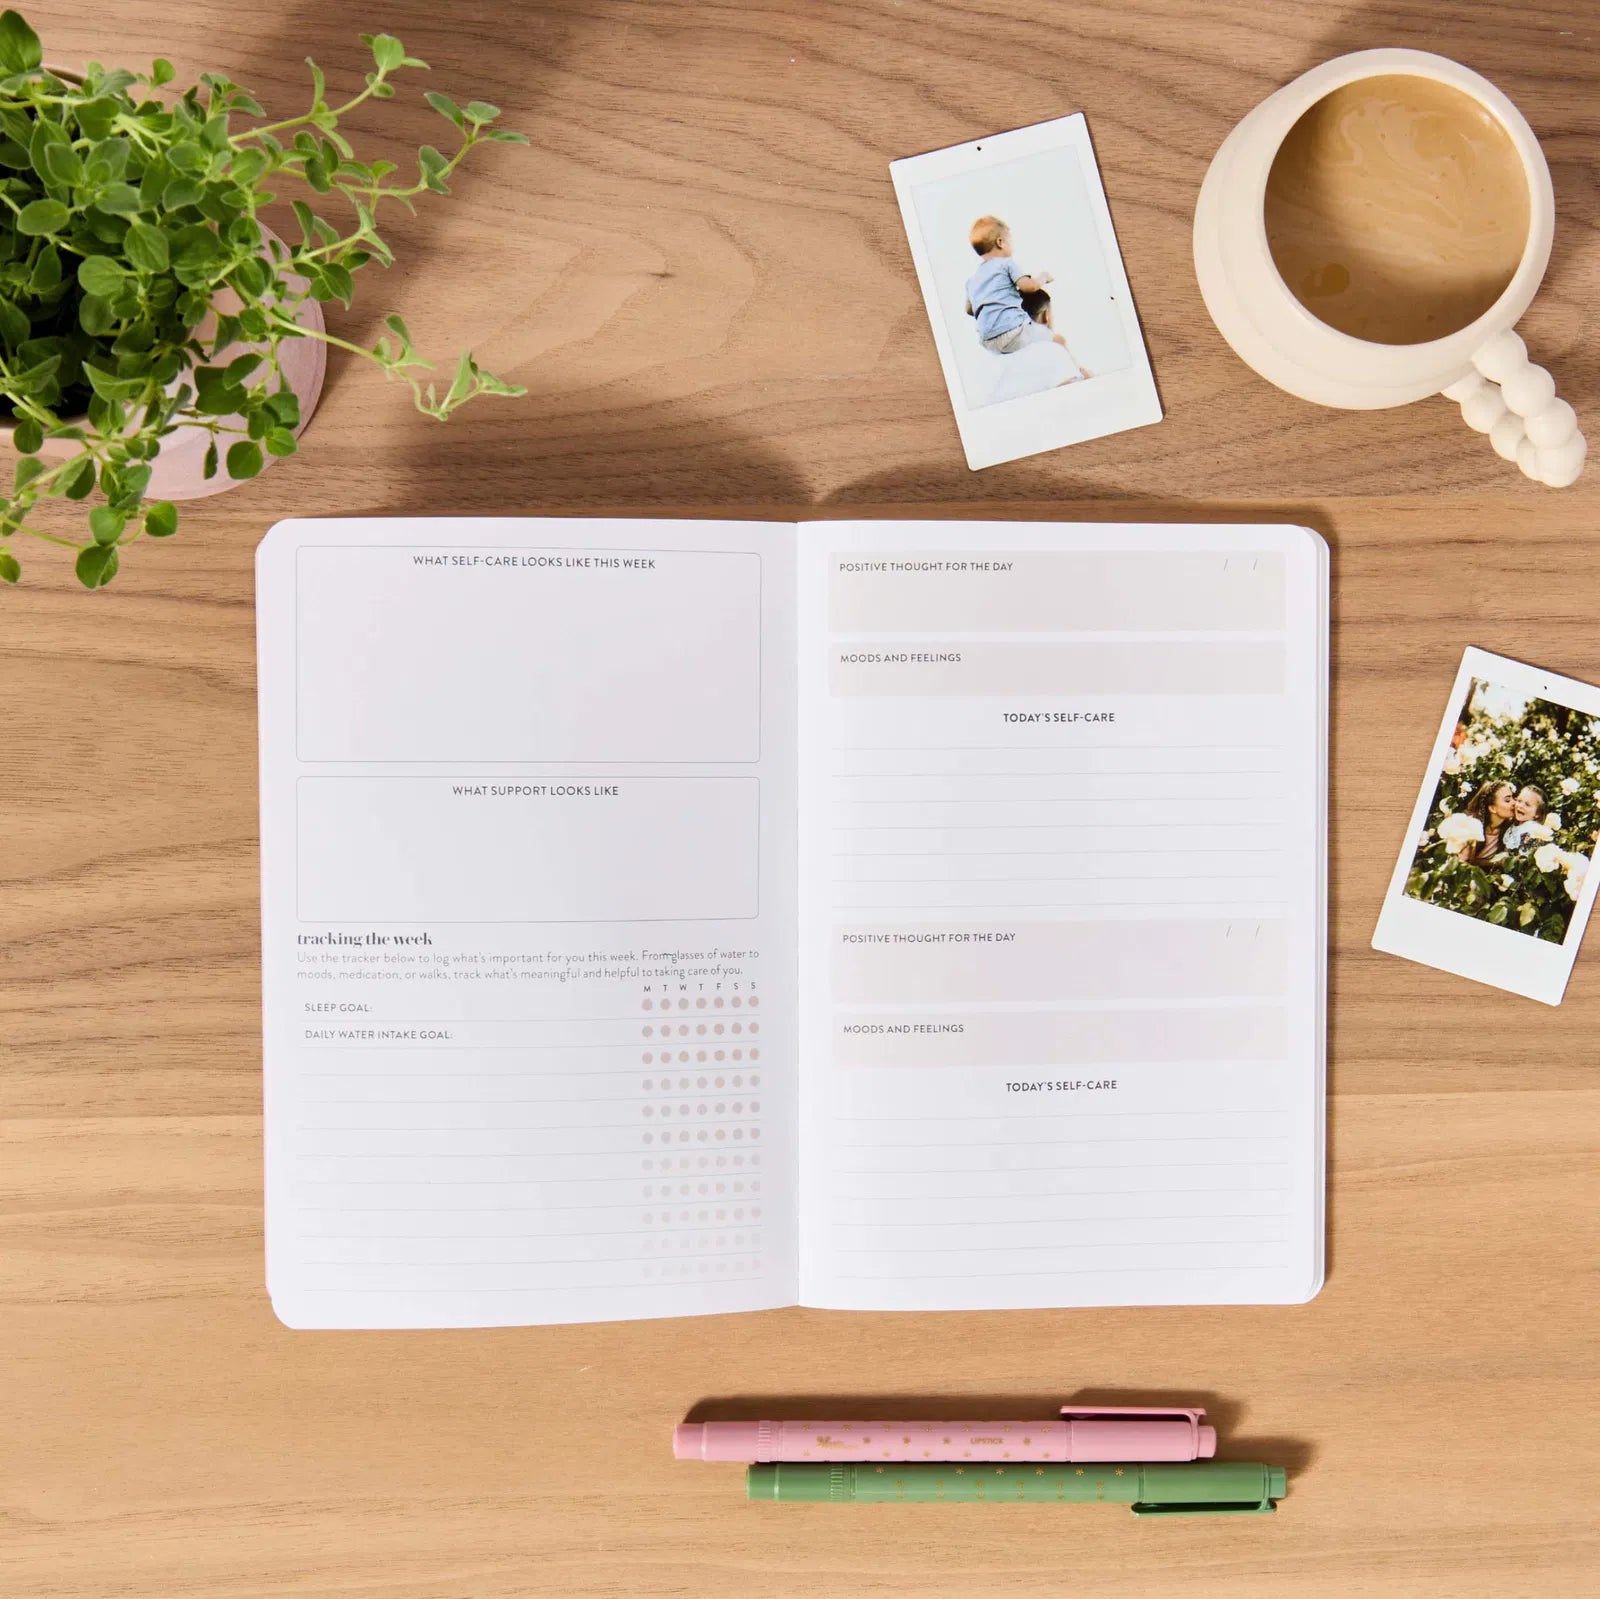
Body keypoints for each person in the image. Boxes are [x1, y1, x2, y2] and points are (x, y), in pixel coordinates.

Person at [963, 216, 1072, 356]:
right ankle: (1075, 367)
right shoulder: (1006, 264)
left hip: (988, 341)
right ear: (1000, 242)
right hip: (1013, 332)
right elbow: (1029, 287)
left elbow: (969, 309)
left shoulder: (972, 280)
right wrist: (1043, 277)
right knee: (1057, 340)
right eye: (1011, 242)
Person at [1457, 779, 1517, 864]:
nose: (1514, 803)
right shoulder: (1471, 828)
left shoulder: (1511, 829)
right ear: (1492, 808)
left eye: (1513, 798)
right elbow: (1462, 862)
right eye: (1507, 800)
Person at [1502, 784, 1549, 851]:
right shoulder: (1514, 826)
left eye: (1527, 804)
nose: (1520, 806)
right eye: (1519, 801)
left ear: (1537, 814)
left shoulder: (1532, 829)